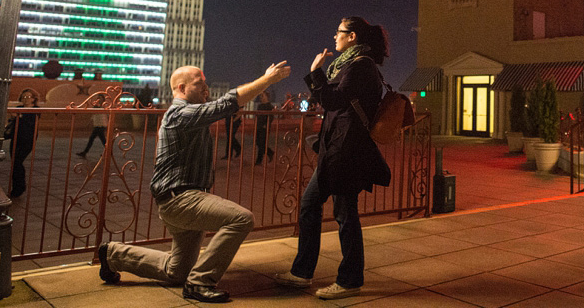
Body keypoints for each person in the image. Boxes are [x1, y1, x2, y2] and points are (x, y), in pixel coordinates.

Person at [98, 61, 291, 303]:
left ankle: (113, 254)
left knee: (175, 271)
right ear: (181, 88)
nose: (206, 89)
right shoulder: (180, 113)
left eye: (206, 85)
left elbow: (221, 108)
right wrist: (267, 80)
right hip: (180, 199)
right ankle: (200, 283)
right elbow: (226, 104)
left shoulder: (192, 114)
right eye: (199, 85)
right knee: (241, 219)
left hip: (182, 198)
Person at [275, 16, 391, 300]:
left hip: (347, 151)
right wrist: (321, 76)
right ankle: (302, 273)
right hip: (336, 149)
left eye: (339, 32)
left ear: (352, 37)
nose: (334, 37)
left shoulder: (361, 66)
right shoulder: (351, 64)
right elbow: (332, 98)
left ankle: (350, 279)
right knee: (312, 205)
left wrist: (316, 70)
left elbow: (331, 101)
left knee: (344, 213)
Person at [6, 89, 40, 198]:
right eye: (24, 97)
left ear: (34, 99)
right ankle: (17, 187)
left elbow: (31, 124)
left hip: (27, 140)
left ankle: (19, 187)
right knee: (14, 163)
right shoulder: (18, 108)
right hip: (16, 138)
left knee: (18, 161)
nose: (26, 99)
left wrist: (20, 117)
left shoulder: (36, 110)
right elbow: (14, 124)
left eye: (28, 97)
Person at [254, 90, 275, 165]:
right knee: (258, 143)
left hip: (264, 128)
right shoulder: (260, 106)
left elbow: (271, 117)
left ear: (267, 97)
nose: (261, 97)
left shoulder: (270, 106)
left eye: (262, 96)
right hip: (258, 126)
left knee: (261, 144)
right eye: (260, 96)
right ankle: (270, 152)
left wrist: (266, 124)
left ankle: (259, 160)